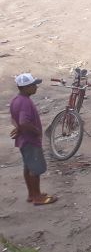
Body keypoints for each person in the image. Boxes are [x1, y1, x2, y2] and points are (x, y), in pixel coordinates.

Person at [10, 73, 57, 205]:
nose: (36, 87)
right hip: (30, 140)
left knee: (28, 166)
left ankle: (32, 194)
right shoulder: (25, 102)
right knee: (35, 168)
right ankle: (37, 197)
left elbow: (15, 119)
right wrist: (36, 131)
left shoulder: (16, 100)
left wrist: (18, 128)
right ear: (26, 87)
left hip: (23, 140)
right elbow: (24, 121)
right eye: (34, 85)